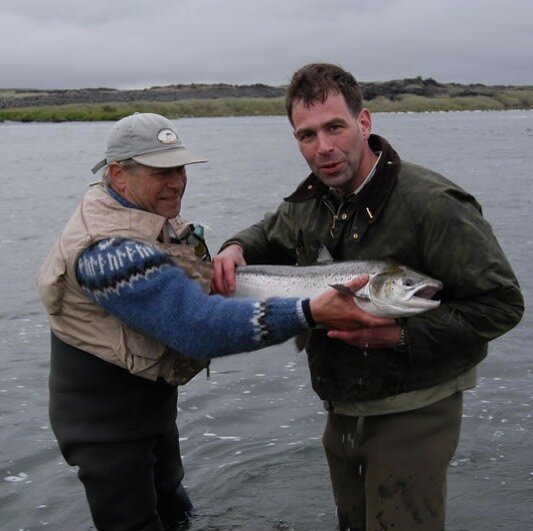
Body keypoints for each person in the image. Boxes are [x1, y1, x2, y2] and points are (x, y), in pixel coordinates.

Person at [36, 112, 387, 531]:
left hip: (149, 407)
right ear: (118, 174)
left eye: (180, 167)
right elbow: (198, 328)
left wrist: (236, 249)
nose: (177, 181)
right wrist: (308, 311)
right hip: (105, 428)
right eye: (161, 171)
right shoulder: (108, 251)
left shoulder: (140, 211)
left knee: (175, 509)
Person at [212, 64, 524, 530]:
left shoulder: (435, 204)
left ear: (364, 122)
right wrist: (235, 247)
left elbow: (502, 304)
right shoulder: (312, 201)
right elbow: (268, 231)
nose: (324, 147)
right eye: (306, 135)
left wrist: (400, 336)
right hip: (342, 411)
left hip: (415, 411)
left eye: (334, 127)